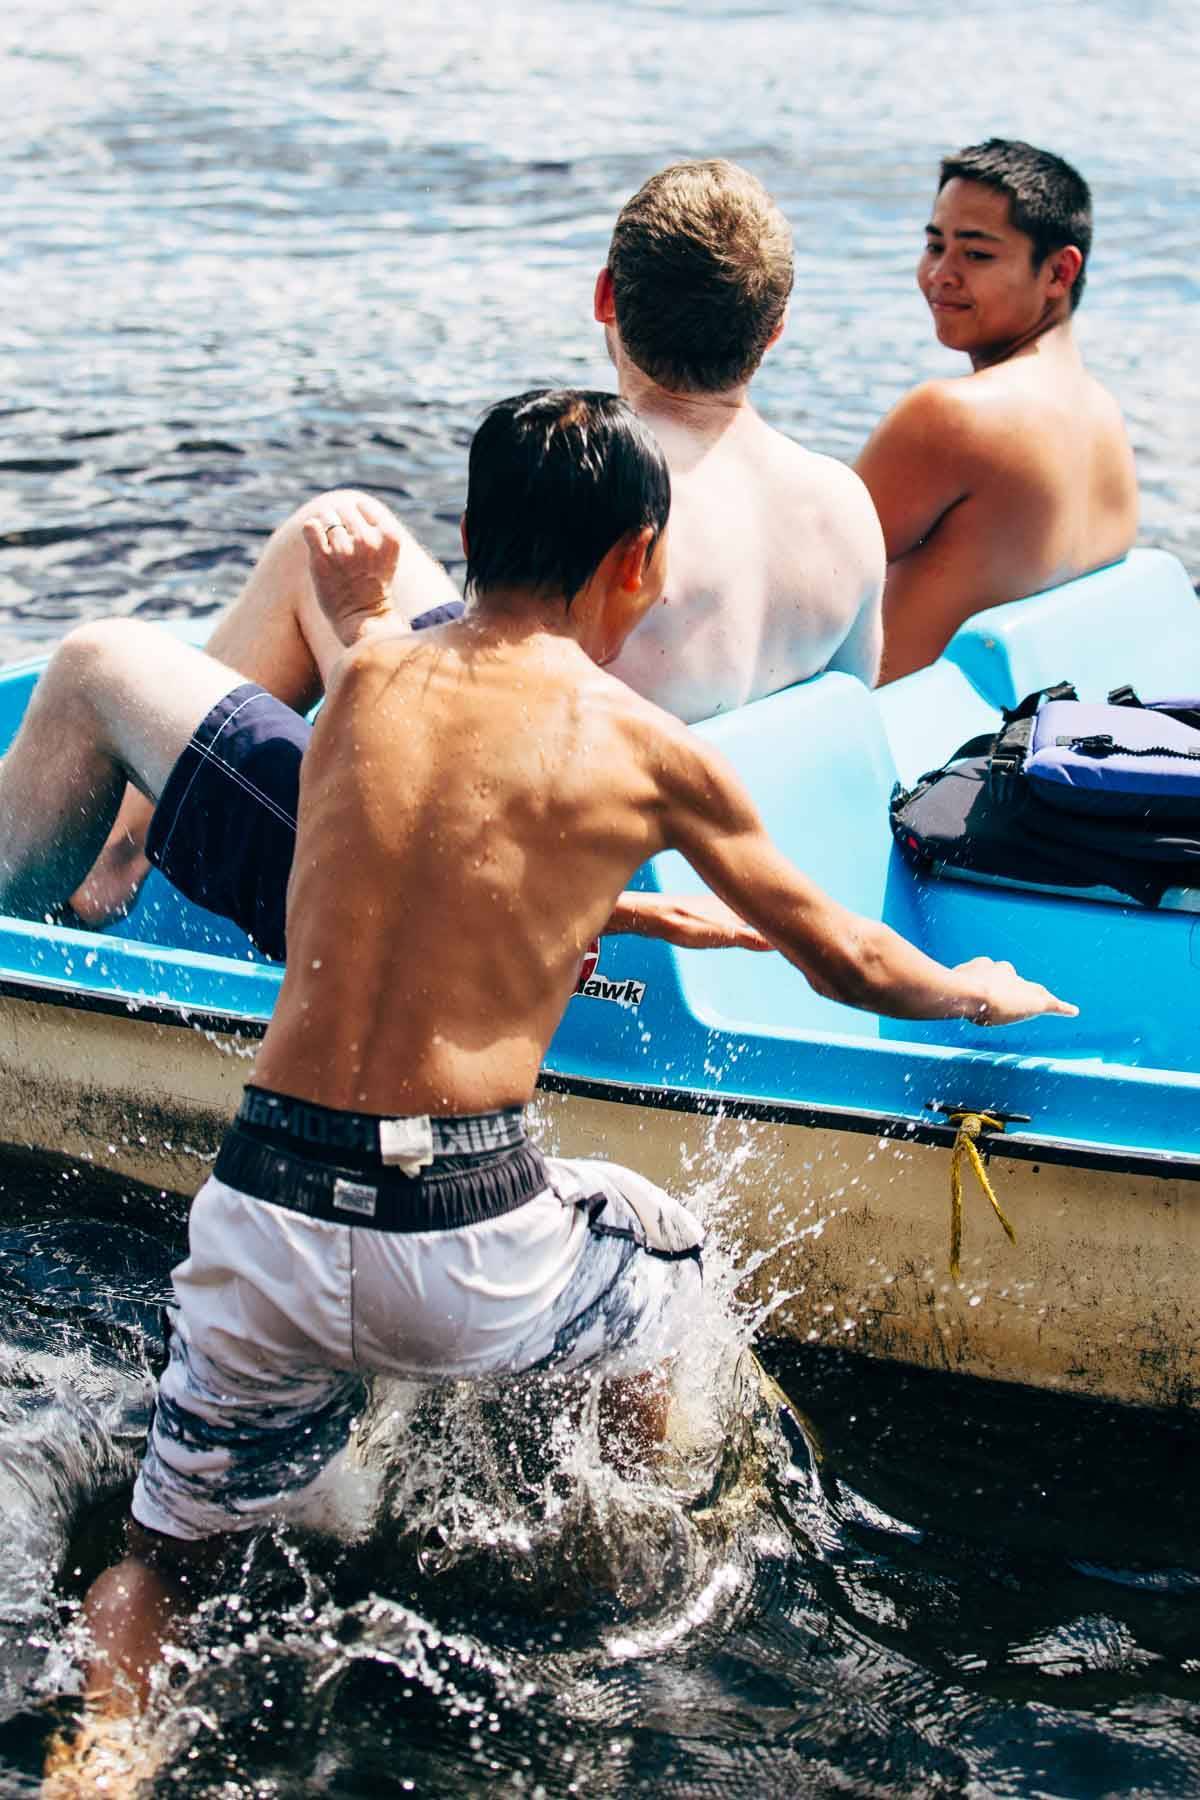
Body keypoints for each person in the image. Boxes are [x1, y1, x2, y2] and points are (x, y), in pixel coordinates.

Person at [18, 391, 1071, 1787]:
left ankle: (103, 1759)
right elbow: (851, 958)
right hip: (470, 1251)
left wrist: (351, 593)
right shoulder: (642, 748)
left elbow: (433, 852)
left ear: (468, 534)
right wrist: (974, 990)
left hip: (264, 1218)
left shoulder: (375, 673)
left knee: (165, 1566)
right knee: (672, 1252)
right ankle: (629, 1542)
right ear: (639, 561)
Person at [69, 157, 884, 927]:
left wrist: (365, 624)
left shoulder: (590, 493)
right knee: (345, 522)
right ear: (773, 330)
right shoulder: (846, 510)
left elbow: (458, 733)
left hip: (510, 883)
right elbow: (845, 710)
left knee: (112, 660)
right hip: (685, 854)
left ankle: (112, 865)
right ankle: (123, 853)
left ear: (605, 296)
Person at [855, 138, 1139, 683]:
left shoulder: (952, 416)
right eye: (935, 245)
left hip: (900, 746)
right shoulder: (1104, 416)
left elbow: (798, 579)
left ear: (1059, 273)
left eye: (977, 254)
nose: (941, 274)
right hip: (1000, 738)